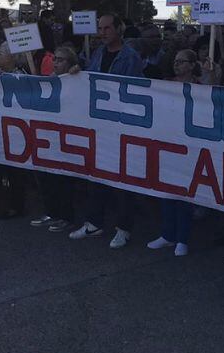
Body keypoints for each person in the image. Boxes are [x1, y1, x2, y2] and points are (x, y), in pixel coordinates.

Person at [70, 13, 146, 248]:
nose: (102, 32)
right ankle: (94, 221)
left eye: (107, 28)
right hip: (99, 123)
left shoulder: (130, 57)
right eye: (100, 28)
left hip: (121, 124)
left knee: (122, 178)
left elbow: (136, 88)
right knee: (97, 174)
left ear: (118, 29)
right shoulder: (98, 53)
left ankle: (124, 228)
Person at [147, 48, 202, 256]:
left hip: (190, 144)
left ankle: (183, 238)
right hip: (168, 140)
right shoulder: (166, 85)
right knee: (166, 191)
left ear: (191, 64)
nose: (177, 64)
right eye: (175, 61)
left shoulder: (200, 87)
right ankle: (167, 235)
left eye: (182, 61)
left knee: (185, 194)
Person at [29, 46, 80, 233]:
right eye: (55, 59)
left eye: (61, 60)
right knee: (45, 176)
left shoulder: (77, 80)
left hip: (67, 137)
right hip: (47, 135)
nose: (56, 62)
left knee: (63, 179)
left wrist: (77, 74)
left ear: (71, 64)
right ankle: (51, 213)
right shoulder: (48, 80)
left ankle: (66, 217)